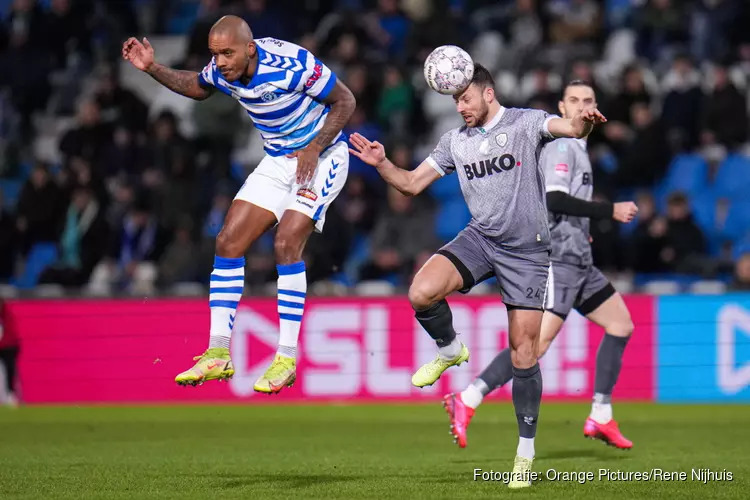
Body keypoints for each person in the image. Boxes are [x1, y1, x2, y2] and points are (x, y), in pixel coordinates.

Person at [349, 65, 606, 489]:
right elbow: (412, 184)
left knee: (524, 353)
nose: (460, 106)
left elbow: (569, 128)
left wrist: (583, 123)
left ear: (488, 94)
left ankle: (525, 454)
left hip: (527, 252)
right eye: (455, 100)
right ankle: (450, 350)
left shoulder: (525, 122)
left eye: (465, 98)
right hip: (481, 239)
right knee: (421, 292)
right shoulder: (455, 142)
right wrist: (381, 164)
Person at [122, 16, 356, 393]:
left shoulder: (292, 66)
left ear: (250, 48)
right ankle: (217, 352)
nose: (221, 62)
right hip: (279, 160)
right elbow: (198, 87)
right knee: (227, 241)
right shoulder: (221, 68)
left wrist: (314, 147)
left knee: (286, 242)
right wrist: (151, 68)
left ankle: (285, 357)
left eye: (228, 54)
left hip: (324, 155)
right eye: (215, 55)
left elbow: (345, 99)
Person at [443, 81, 638, 453]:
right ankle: (467, 398)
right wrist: (607, 210)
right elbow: (553, 198)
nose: (581, 106)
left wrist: (582, 230)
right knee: (534, 345)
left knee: (620, 324)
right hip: (557, 262)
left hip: (580, 259)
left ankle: (601, 412)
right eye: (574, 101)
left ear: (596, 107)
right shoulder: (562, 145)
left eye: (588, 101)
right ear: (562, 108)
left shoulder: (578, 147)